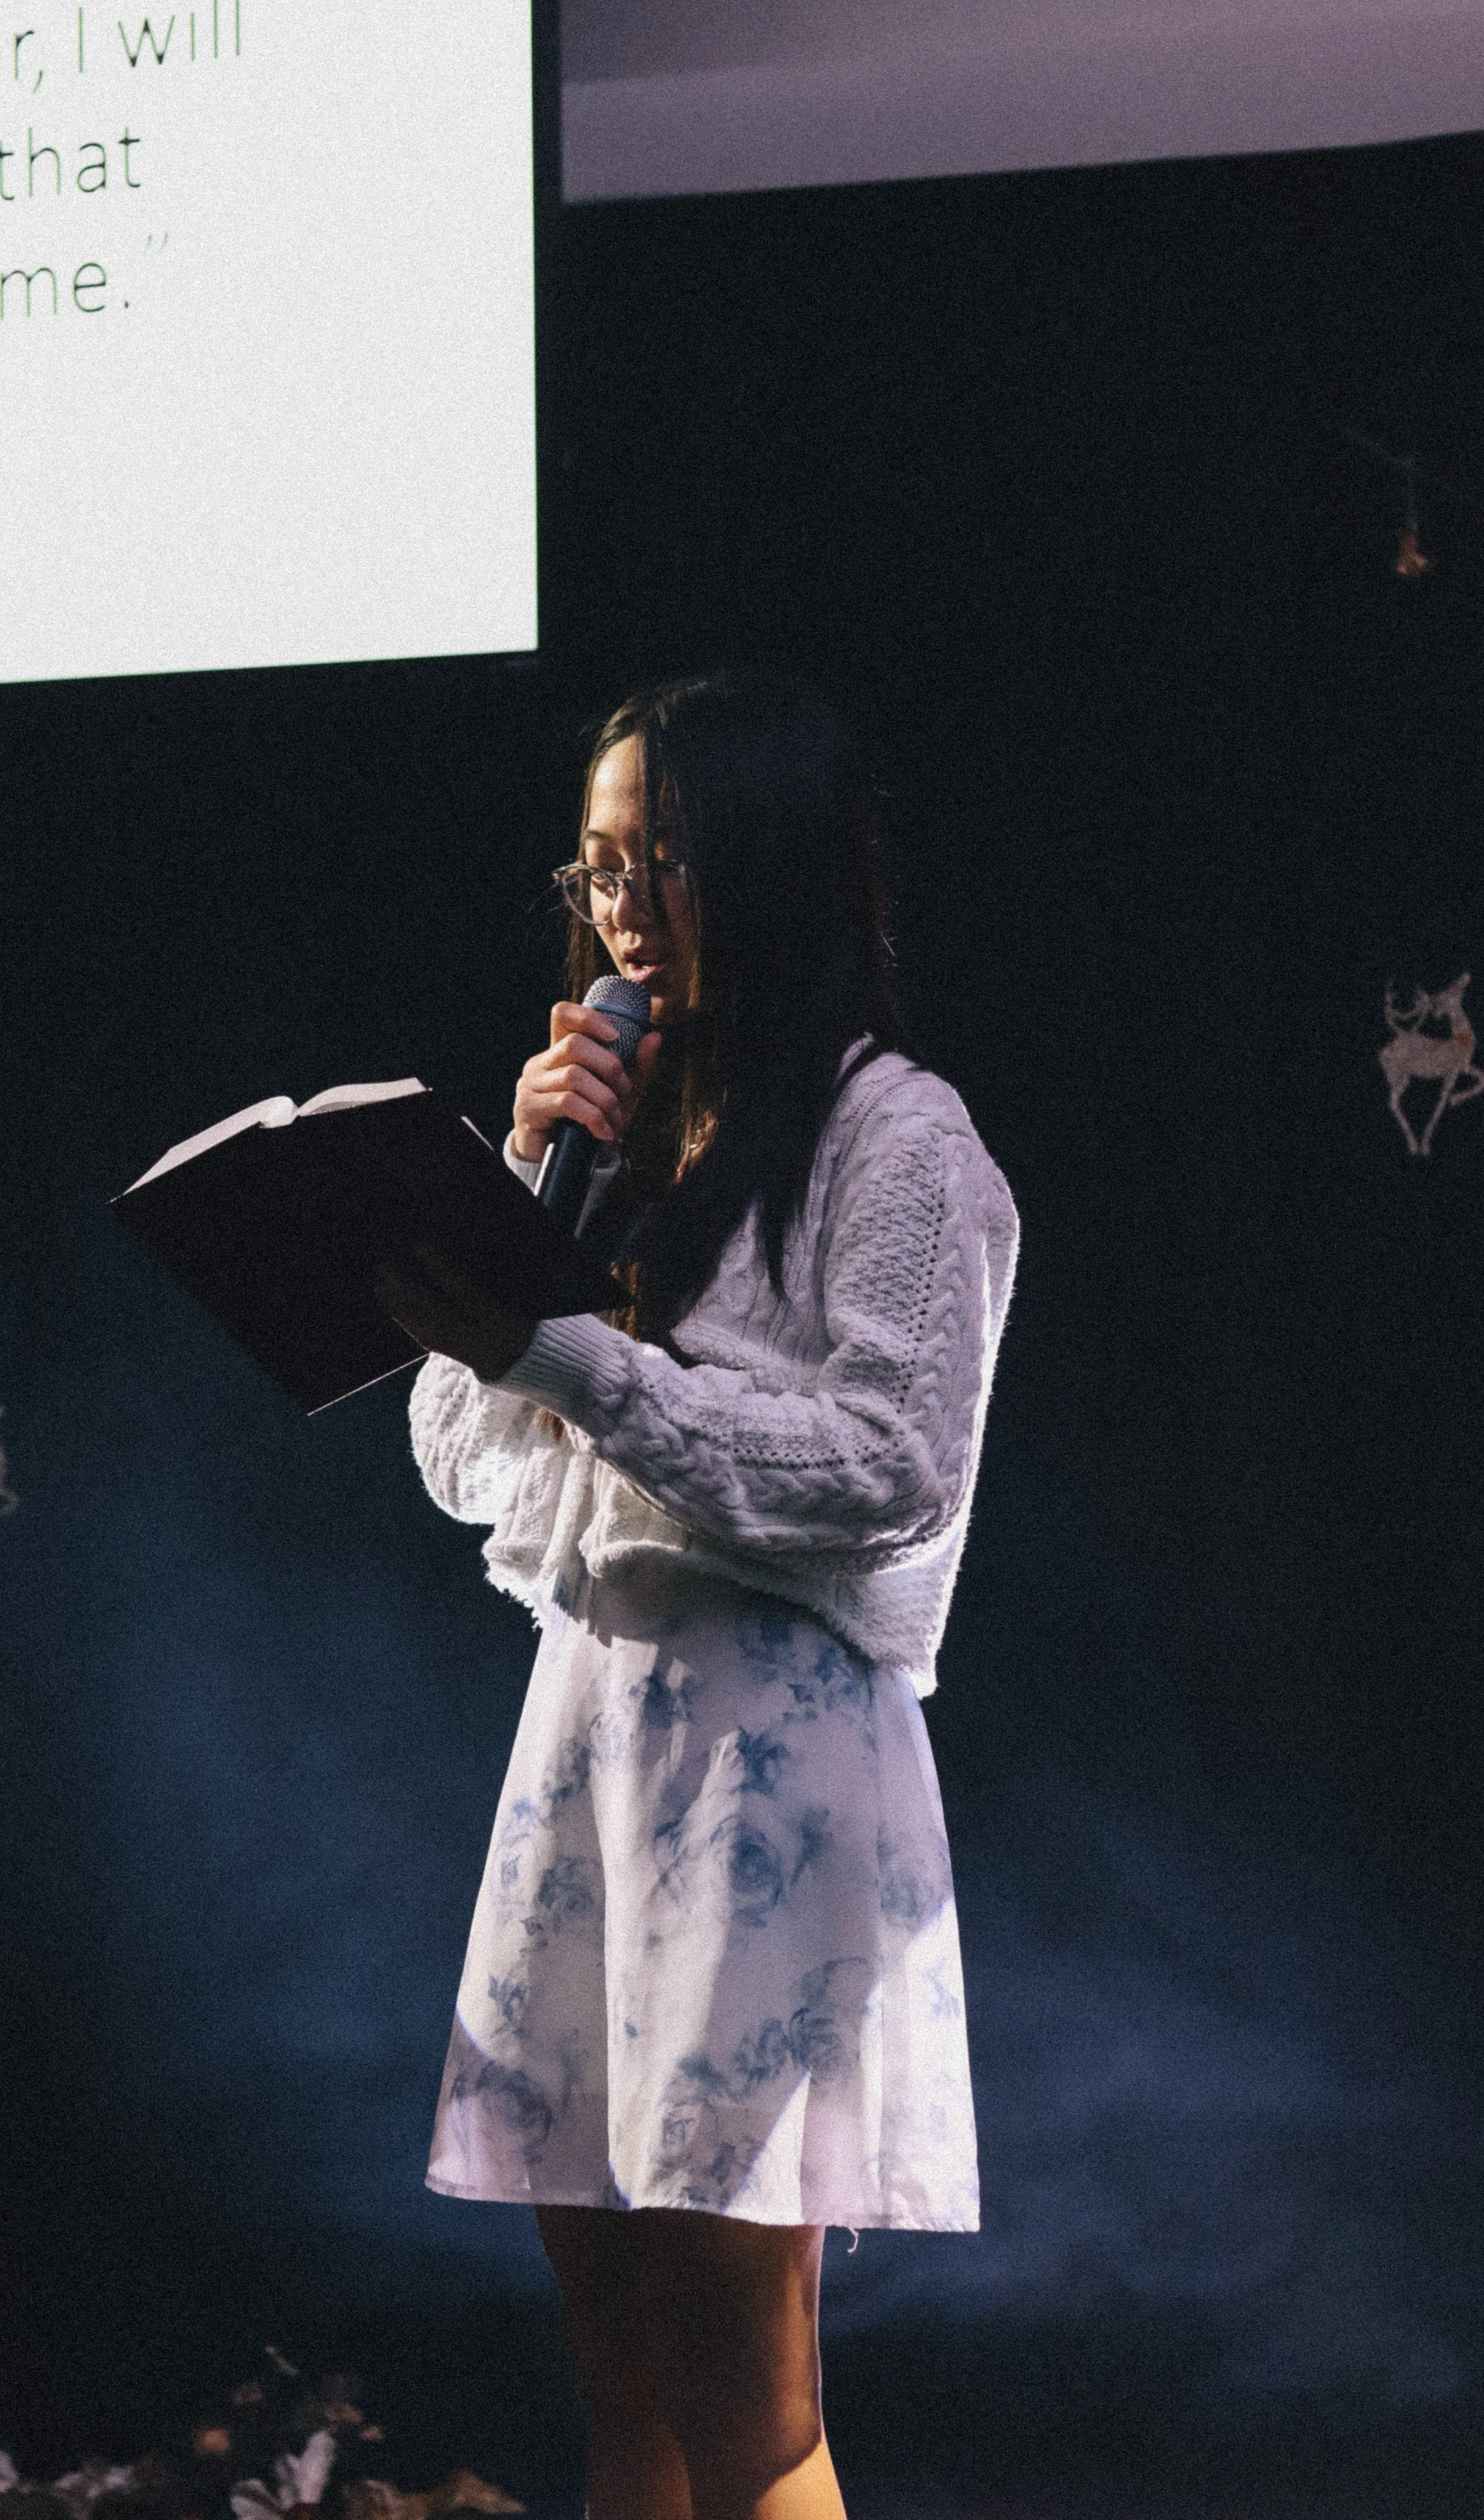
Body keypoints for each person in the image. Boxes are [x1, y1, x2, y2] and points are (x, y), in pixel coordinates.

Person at [377, 673, 1019, 2520]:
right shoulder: (624, 1134)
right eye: (593, 870)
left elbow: (885, 1467)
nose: (621, 908)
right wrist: (522, 1191)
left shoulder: (900, 1139)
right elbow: (461, 1449)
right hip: (592, 1754)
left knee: (747, 2409)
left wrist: (575, 1353)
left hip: (768, 1774)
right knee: (626, 2401)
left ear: (768, 860)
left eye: (659, 854)